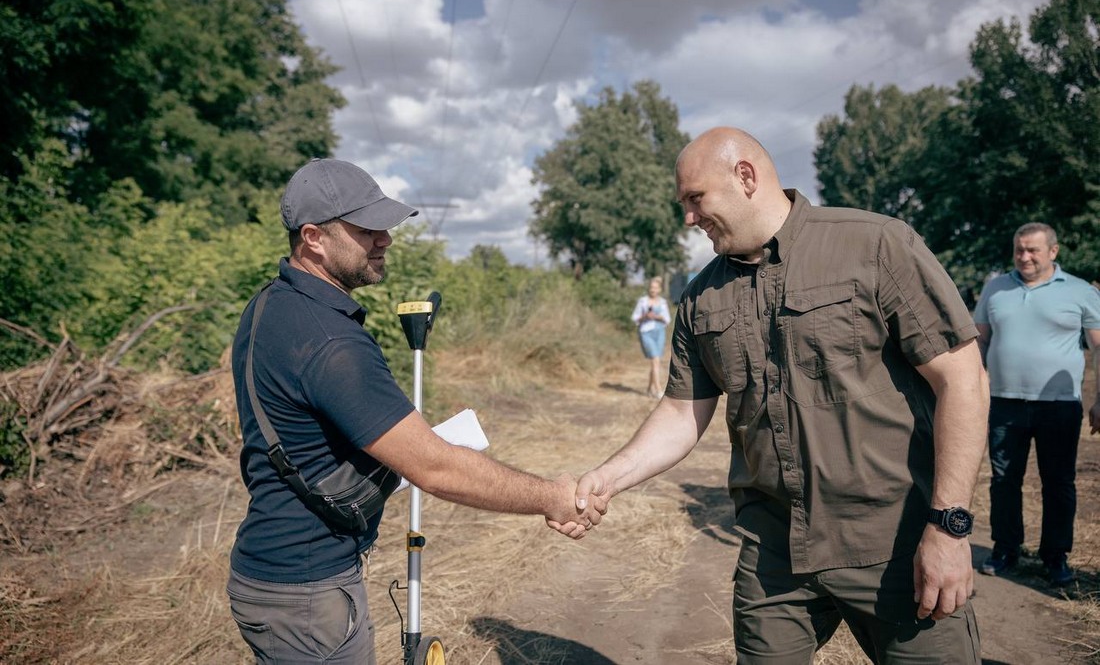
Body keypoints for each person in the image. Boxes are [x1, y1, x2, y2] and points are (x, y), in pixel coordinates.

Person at [564, 127, 989, 664]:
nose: (688, 218)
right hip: (775, 554)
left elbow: (963, 379)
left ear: (745, 176)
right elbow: (680, 411)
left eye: (695, 199)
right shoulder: (700, 298)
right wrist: (607, 479)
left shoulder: (875, 245)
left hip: (894, 544)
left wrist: (949, 528)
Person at [226, 158, 593, 664]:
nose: (386, 239)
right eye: (367, 229)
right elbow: (434, 467)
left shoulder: (270, 305)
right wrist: (551, 496)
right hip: (308, 593)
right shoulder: (332, 341)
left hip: (269, 575)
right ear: (313, 237)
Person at [974, 222, 1100, 586]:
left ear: (1053, 252)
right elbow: (979, 340)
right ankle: (1005, 549)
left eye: (1032, 250)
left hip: (1058, 405)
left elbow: (1098, 347)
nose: (1024, 256)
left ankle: (1055, 556)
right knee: (1003, 480)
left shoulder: (1079, 291)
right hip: (1004, 402)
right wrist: (974, 385)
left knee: (1058, 482)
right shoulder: (995, 288)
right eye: (1019, 249)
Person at [631, 276, 672, 398]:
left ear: (659, 289)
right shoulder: (642, 301)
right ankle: (659, 390)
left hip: (659, 332)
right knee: (655, 360)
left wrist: (658, 317)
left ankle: (649, 389)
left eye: (655, 288)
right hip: (646, 332)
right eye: (651, 287)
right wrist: (645, 316)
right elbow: (635, 318)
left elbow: (667, 319)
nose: (653, 290)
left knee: (656, 361)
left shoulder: (663, 302)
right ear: (649, 289)